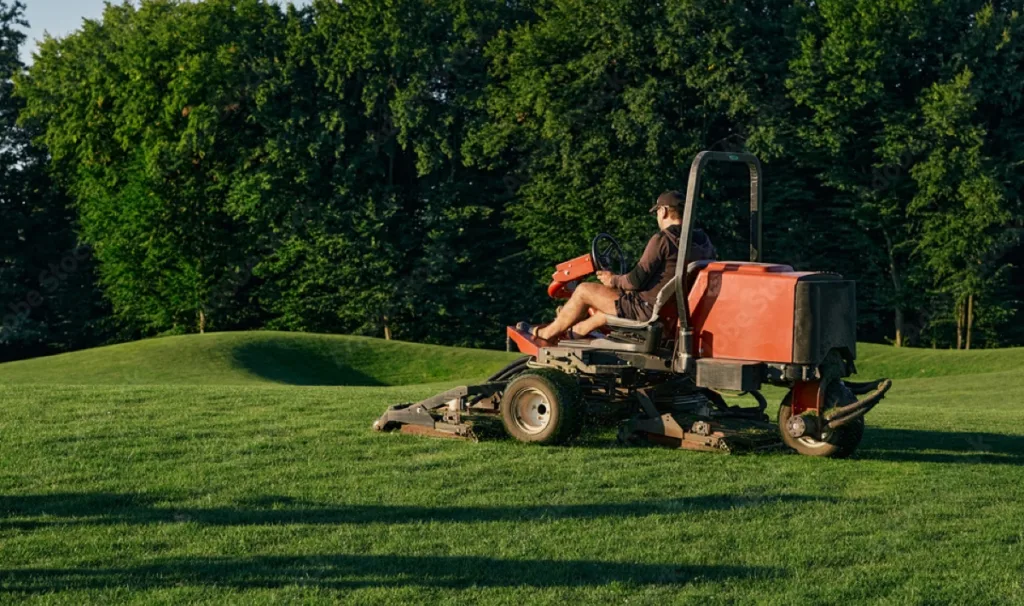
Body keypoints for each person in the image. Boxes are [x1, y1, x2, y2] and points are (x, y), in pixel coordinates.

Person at [523, 191, 716, 341]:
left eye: (657, 211)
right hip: (671, 312)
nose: (657, 216)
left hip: (645, 311)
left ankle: (547, 333)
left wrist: (613, 279)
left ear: (664, 211)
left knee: (583, 290)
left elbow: (635, 280)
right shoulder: (703, 242)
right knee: (610, 301)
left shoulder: (663, 240)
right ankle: (576, 331)